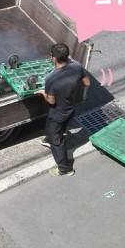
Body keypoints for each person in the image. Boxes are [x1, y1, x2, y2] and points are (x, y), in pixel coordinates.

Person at [36, 43, 90, 177]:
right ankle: (48, 139)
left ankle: (65, 169)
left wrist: (43, 93)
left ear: (53, 58)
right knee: (53, 128)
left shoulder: (52, 79)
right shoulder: (77, 66)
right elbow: (87, 83)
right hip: (70, 108)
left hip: (58, 113)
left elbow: (51, 101)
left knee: (57, 141)